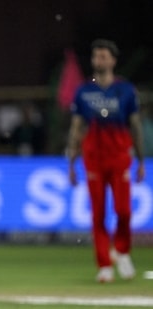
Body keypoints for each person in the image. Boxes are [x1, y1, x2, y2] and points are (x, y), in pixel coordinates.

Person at [67, 39, 145, 283]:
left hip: (120, 157)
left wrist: (141, 160)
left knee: (123, 210)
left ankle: (121, 250)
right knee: (98, 214)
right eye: (95, 57)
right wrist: (71, 161)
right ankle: (104, 265)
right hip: (94, 160)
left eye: (103, 57)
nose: (98, 61)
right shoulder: (84, 92)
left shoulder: (125, 91)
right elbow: (76, 128)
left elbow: (135, 126)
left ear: (112, 60)